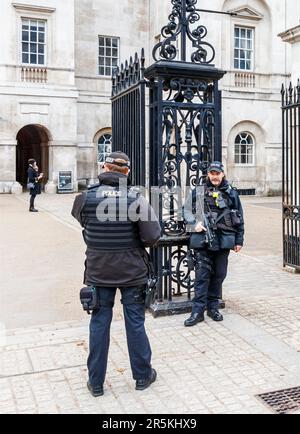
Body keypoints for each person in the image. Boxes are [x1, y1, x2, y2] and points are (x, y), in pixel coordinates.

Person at [71, 151, 161, 397]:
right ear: (127, 172)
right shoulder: (136, 200)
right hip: (132, 272)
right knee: (135, 323)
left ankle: (96, 382)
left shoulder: (84, 198)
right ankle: (143, 376)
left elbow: (81, 222)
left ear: (104, 167)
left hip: (99, 271)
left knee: (99, 324)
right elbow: (153, 236)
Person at [183, 161, 244, 326]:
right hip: (203, 239)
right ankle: (197, 311)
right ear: (208, 174)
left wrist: (239, 240)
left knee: (219, 275)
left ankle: (213, 307)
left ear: (222, 174)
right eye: (212, 173)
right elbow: (186, 209)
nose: (215, 176)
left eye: (218, 173)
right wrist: (194, 223)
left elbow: (239, 217)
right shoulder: (199, 191)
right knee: (202, 276)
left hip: (224, 240)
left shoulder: (231, 193)